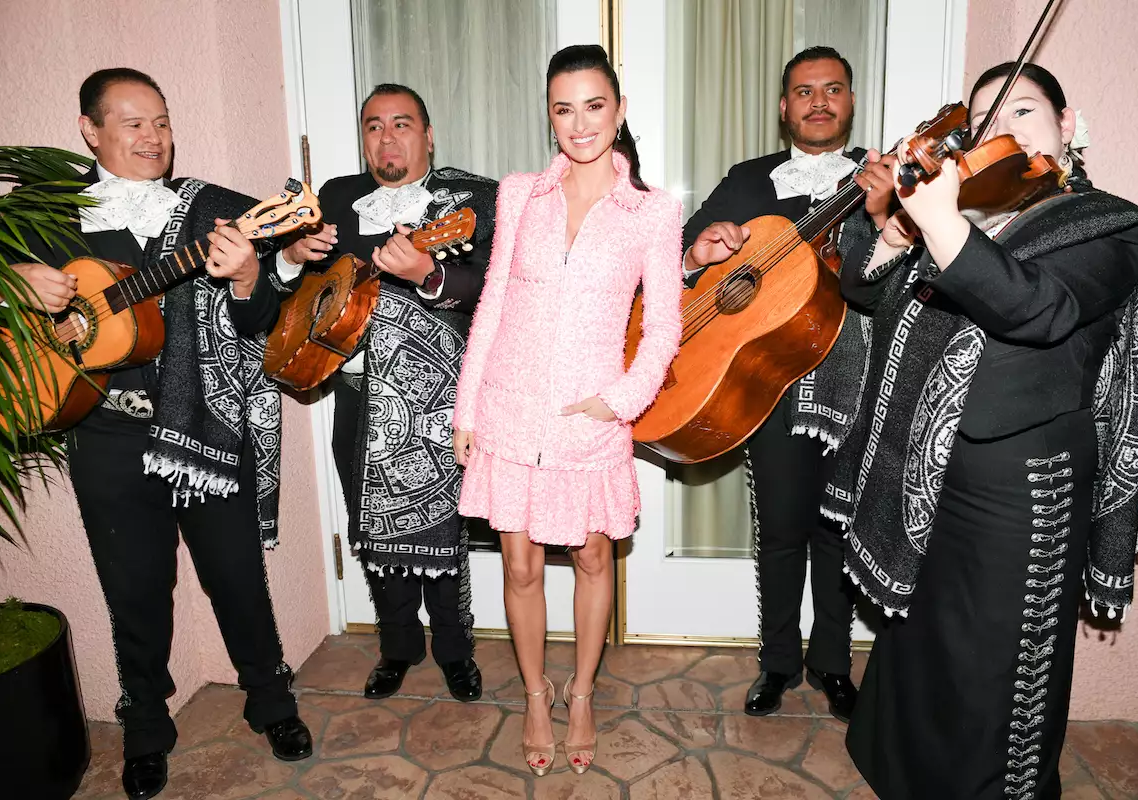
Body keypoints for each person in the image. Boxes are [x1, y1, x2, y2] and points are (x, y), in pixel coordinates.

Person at [820, 62, 1138, 799]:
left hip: (1022, 486)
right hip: (932, 467)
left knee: (998, 674)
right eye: (987, 120)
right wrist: (893, 232)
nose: (1007, 131)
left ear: (1067, 124)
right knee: (921, 649)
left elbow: (1036, 310)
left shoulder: (1104, 223)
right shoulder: (978, 216)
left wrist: (943, 222)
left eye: (1025, 110)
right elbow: (862, 290)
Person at [6, 68, 313, 800]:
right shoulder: (45, 210)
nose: (155, 138)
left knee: (238, 577)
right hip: (105, 436)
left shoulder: (208, 206)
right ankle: (146, 725)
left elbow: (264, 316)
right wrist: (13, 279)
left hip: (205, 427)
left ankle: (270, 702)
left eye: (163, 122)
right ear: (90, 129)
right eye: (135, 123)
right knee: (134, 591)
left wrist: (251, 275)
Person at [451, 44, 682, 776]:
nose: (579, 123)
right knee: (519, 566)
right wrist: (467, 407)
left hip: (590, 417)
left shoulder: (652, 212)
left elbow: (666, 328)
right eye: (563, 108)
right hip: (510, 410)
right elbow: (492, 302)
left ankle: (580, 692)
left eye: (594, 105)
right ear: (548, 116)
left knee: (590, 555)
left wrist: (617, 404)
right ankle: (535, 695)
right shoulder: (520, 193)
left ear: (617, 110)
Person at [681, 45, 896, 720]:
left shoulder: (883, 175)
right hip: (768, 382)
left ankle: (832, 663)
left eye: (833, 89)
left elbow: (915, 268)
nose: (820, 102)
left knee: (836, 526)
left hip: (855, 381)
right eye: (805, 92)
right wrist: (699, 250)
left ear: (851, 102)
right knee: (779, 529)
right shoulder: (748, 179)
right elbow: (682, 259)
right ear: (784, 107)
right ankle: (776, 664)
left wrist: (890, 212)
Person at [280, 83, 496, 702]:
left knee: (441, 528)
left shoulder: (467, 200)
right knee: (371, 528)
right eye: (374, 126)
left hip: (437, 399)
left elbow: (490, 285)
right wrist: (294, 256)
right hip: (354, 393)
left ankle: (455, 650)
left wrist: (427, 271)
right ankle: (397, 646)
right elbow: (293, 292)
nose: (387, 137)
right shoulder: (338, 199)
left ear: (428, 136)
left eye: (402, 124)